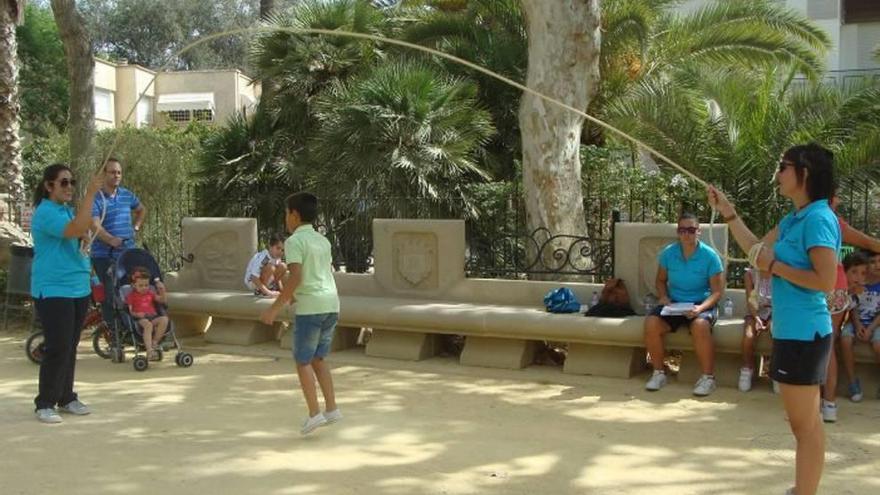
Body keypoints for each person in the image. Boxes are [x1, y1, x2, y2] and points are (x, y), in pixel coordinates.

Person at [708, 143, 840, 495]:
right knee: (806, 424)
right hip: (793, 332)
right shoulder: (795, 219)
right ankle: (804, 489)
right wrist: (729, 213)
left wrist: (776, 267)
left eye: (783, 167)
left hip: (804, 334)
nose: (777, 174)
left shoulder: (818, 219)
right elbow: (755, 252)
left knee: (804, 427)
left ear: (805, 173)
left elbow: (825, 281)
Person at [260, 192, 342, 435]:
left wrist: (274, 309)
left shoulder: (295, 242)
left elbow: (297, 276)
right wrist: (291, 293)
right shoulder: (323, 241)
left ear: (295, 215)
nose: (286, 218)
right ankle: (332, 409)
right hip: (331, 304)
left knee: (303, 360)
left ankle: (314, 414)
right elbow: (315, 275)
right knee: (319, 358)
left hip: (311, 308)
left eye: (286, 213)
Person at [31, 163, 103, 423]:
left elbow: (80, 229)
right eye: (63, 182)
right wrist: (91, 194)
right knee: (58, 345)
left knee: (70, 346)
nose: (69, 187)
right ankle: (45, 402)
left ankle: (66, 397)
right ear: (49, 186)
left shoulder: (64, 210)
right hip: (53, 288)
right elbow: (74, 229)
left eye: (72, 182)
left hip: (77, 287)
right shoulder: (45, 212)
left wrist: (84, 234)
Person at [643, 212, 725, 396]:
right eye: (682, 230)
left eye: (690, 230)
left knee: (700, 325)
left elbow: (717, 292)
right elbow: (660, 281)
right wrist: (663, 297)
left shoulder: (710, 256)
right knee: (651, 323)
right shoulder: (668, 253)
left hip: (701, 303)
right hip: (674, 303)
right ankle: (659, 373)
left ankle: (708, 378)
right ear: (678, 232)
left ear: (699, 232)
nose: (686, 234)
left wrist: (700, 309)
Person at [819, 199, 880, 422]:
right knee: (825, 344)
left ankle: (827, 401)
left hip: (827, 287)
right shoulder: (826, 219)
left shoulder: (824, 218)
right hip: (825, 286)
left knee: (825, 345)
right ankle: (826, 402)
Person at [90, 158, 146, 328]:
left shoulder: (127, 195)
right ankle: (113, 334)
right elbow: (94, 225)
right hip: (104, 255)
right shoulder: (97, 198)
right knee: (110, 295)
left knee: (130, 292)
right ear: (104, 174)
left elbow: (142, 209)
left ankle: (132, 330)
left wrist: (136, 226)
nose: (116, 175)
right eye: (112, 172)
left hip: (127, 254)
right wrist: (110, 239)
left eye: (119, 172)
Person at [839, 250, 880, 402]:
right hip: (856, 322)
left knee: (878, 344)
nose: (876, 266)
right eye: (873, 262)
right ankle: (852, 382)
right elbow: (853, 308)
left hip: (875, 324)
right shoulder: (860, 283)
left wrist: (869, 328)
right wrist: (857, 326)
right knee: (845, 339)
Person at [738, 267, 772, 392]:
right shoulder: (750, 274)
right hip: (755, 312)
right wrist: (756, 317)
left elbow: (782, 301)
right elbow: (750, 300)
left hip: (776, 311)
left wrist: (771, 320)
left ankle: (776, 370)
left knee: (777, 333)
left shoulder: (780, 272)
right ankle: (747, 368)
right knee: (748, 336)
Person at [125, 267, 169, 361]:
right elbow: (130, 311)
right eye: (141, 286)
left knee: (164, 319)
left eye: (146, 285)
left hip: (153, 317)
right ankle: (149, 351)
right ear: (133, 285)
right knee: (148, 325)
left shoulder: (150, 294)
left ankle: (155, 342)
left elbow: (162, 300)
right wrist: (137, 314)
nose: (144, 288)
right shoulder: (131, 296)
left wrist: (162, 290)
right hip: (141, 319)